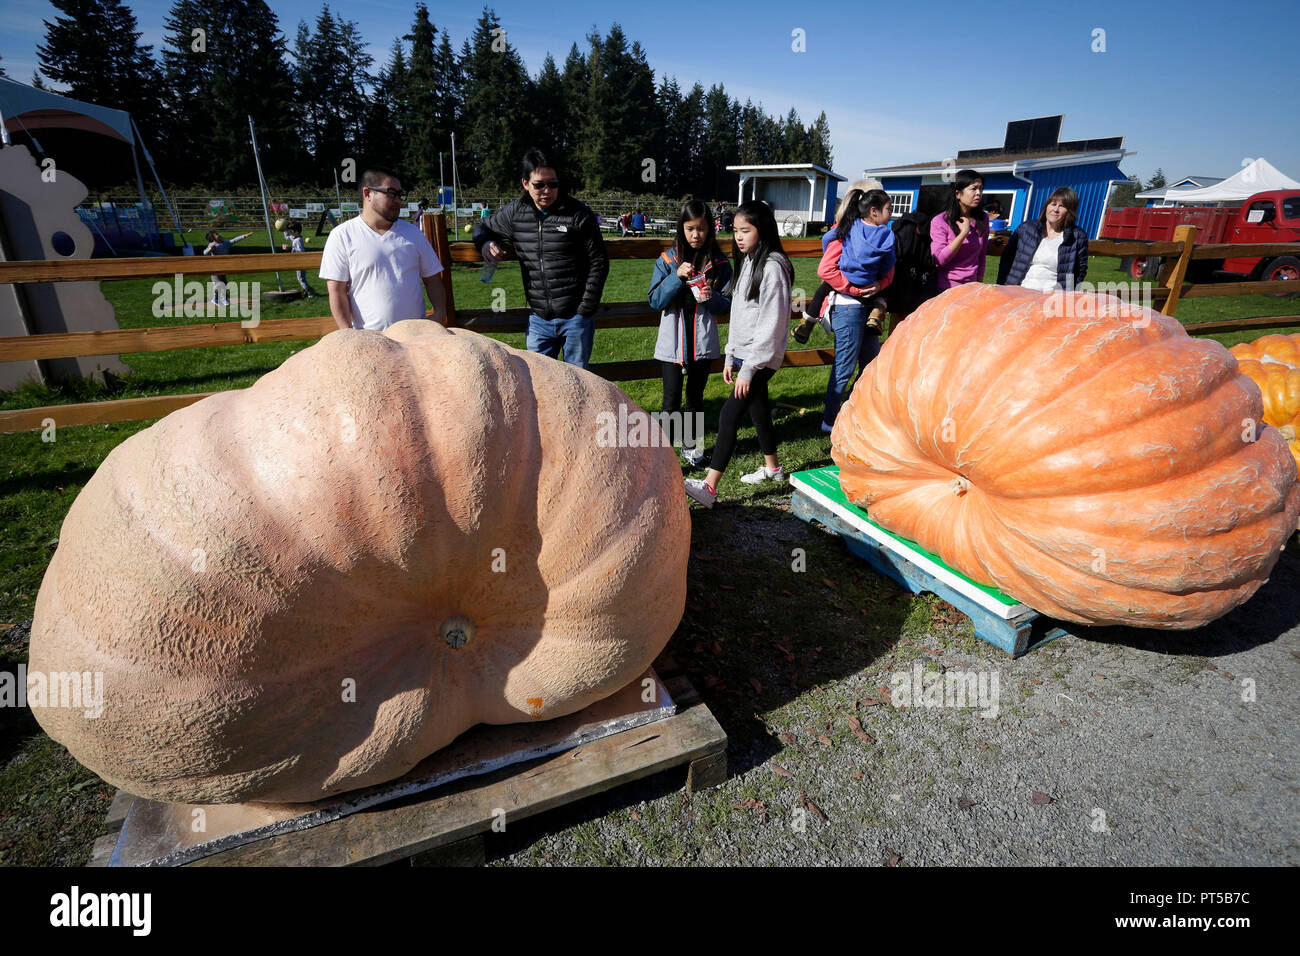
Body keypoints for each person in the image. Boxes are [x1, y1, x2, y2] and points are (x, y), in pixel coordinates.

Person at [684, 200, 793, 508]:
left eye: (746, 230)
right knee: (758, 411)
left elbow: (770, 325)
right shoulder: (748, 261)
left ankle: (709, 487)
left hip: (761, 358)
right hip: (746, 356)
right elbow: (741, 314)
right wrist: (732, 355)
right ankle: (774, 469)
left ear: (764, 229)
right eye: (735, 231)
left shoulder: (772, 268)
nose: (739, 237)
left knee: (728, 415)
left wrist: (749, 369)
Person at [474, 148, 610, 369]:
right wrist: (485, 242)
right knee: (537, 384)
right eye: (539, 185)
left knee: (578, 384)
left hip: (575, 318)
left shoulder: (578, 214)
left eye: (553, 184)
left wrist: (585, 308)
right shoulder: (515, 213)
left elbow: (599, 261)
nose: (547, 190)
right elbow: (482, 226)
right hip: (538, 319)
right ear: (525, 184)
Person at [650, 199, 733, 468]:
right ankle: (662, 454)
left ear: (710, 228)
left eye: (701, 228)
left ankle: (691, 448)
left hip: (702, 339)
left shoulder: (720, 263)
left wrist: (711, 298)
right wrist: (676, 277)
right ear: (681, 229)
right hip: (673, 339)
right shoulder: (667, 260)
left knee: (695, 397)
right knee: (670, 398)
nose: (695, 235)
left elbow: (729, 304)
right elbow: (654, 300)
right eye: (689, 229)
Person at [319, 166, 448, 332]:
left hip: (415, 337)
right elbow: (337, 291)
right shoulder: (342, 235)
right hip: (368, 340)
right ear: (367, 194)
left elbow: (433, 279)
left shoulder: (413, 233)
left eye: (400, 195)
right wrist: (348, 334)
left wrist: (439, 313)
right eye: (391, 193)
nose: (398, 200)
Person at [792, 188, 895, 342]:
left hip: (848, 278)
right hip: (870, 283)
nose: (891, 213)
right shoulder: (887, 233)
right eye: (889, 209)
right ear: (874, 211)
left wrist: (826, 248)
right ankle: (876, 313)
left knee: (822, 290)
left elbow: (828, 238)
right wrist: (880, 275)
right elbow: (890, 260)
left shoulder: (851, 227)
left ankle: (807, 322)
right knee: (885, 290)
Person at [996, 187, 1089, 293]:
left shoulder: (1076, 236)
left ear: (1070, 211)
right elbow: (1006, 260)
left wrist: (1068, 294)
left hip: (1052, 298)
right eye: (1053, 204)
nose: (1056, 209)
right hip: (1019, 292)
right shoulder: (1026, 229)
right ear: (1046, 206)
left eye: (1062, 206)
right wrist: (1002, 288)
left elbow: (1081, 269)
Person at [930, 169, 989, 290]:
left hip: (972, 287)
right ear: (958, 194)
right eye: (973, 188)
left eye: (981, 188)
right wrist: (963, 234)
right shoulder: (940, 221)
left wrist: (979, 285)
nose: (979, 193)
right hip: (946, 287)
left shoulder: (983, 219)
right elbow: (939, 260)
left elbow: (982, 255)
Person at [202, 230, 253, 307]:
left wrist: (245, 236)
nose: (218, 235)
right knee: (218, 284)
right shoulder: (212, 245)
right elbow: (205, 253)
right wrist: (210, 249)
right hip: (214, 268)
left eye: (218, 233)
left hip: (223, 267)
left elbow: (234, 240)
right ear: (212, 238)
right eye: (216, 234)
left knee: (224, 283)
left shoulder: (225, 243)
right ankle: (219, 299)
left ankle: (220, 299)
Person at [280, 223, 319, 299]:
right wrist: (285, 228)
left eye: (291, 231)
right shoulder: (294, 237)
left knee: (301, 279)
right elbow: (287, 237)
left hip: (301, 262)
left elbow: (300, 252)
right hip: (298, 262)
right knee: (301, 278)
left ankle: (312, 293)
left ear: (296, 232)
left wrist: (289, 248)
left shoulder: (298, 240)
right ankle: (305, 291)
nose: (290, 233)